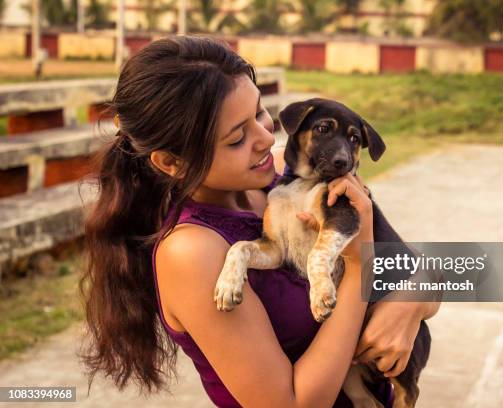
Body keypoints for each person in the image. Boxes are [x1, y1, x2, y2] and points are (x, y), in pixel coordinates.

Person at [80, 35, 439, 407]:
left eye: (259, 113)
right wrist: (356, 265)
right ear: (172, 163)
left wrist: (407, 304)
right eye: (237, 138)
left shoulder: (288, 173)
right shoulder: (192, 251)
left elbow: (427, 269)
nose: (266, 138)